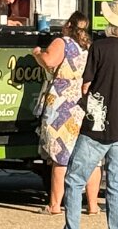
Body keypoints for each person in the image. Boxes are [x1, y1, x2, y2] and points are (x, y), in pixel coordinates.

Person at [42, 0, 118, 229]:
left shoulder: (99, 48)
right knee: (117, 184)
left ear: (110, 20)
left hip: (96, 126)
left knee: (74, 179)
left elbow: (86, 84)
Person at [31, 11, 101, 217]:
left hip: (62, 103)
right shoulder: (89, 46)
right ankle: (93, 205)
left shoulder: (62, 42)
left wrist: (37, 54)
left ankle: (54, 205)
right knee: (91, 157)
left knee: (60, 155)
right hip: (84, 102)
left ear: (69, 25)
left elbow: (50, 61)